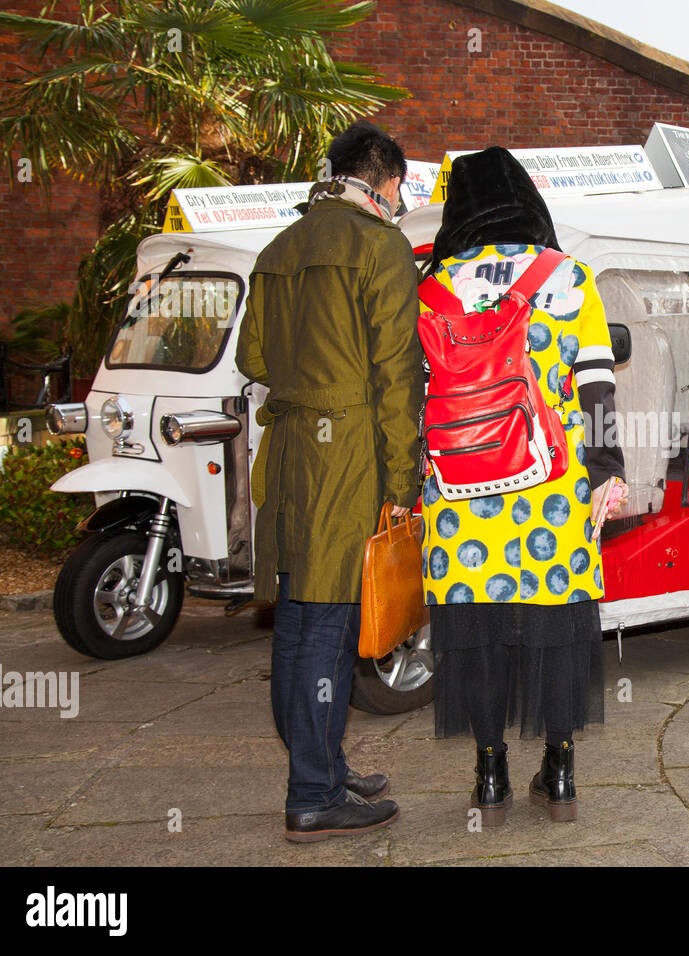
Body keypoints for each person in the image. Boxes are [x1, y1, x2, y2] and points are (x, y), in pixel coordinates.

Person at [420, 146, 626, 824]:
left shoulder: (434, 282)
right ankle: (560, 772)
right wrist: (606, 471)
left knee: (473, 624)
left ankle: (489, 776)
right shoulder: (568, 278)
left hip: (459, 491)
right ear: (527, 201)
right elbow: (596, 384)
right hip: (552, 485)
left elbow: (415, 393)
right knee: (557, 623)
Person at [235, 120, 422, 843]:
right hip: (348, 454)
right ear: (382, 179)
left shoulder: (277, 249)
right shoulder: (381, 247)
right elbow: (397, 377)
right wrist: (402, 477)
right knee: (333, 623)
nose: (401, 199)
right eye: (401, 186)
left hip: (289, 453)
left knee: (299, 620)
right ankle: (312, 792)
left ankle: (323, 763)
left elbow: (254, 358)